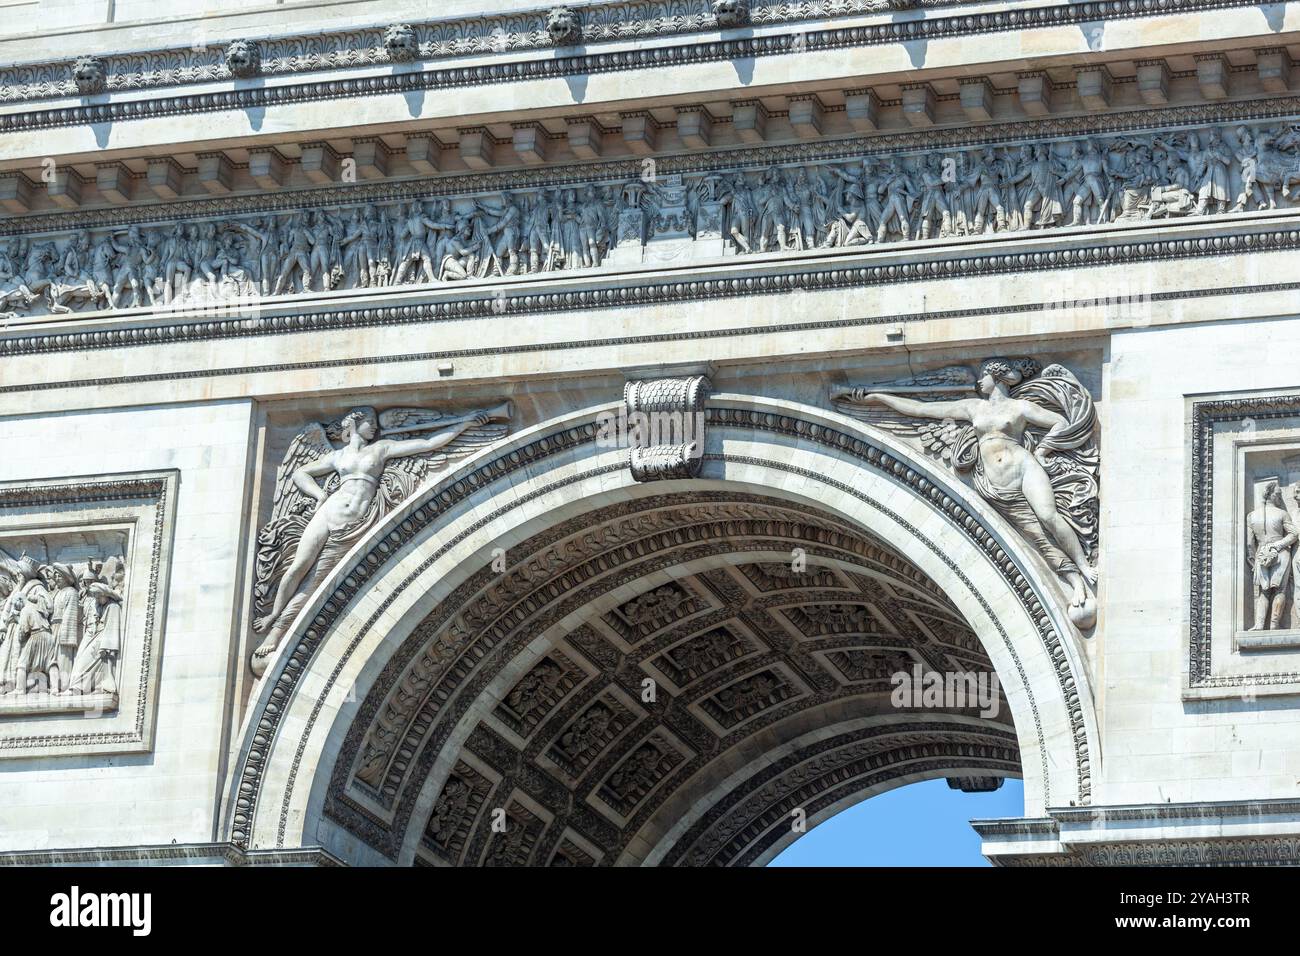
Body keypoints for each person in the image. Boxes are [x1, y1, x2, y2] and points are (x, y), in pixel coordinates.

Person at [853, 359, 1098, 615]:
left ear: (998, 377)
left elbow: (1059, 421)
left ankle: (1083, 564)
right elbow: (919, 409)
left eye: (984, 375)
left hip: (1025, 466)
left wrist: (1045, 449)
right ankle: (1074, 581)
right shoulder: (973, 407)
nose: (979, 380)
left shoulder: (1020, 407)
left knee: (1049, 516)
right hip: (996, 483)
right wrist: (878, 397)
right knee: (1036, 534)